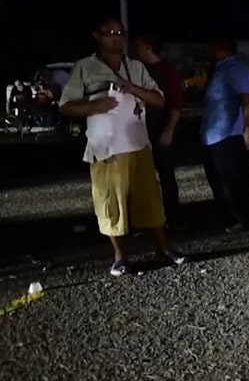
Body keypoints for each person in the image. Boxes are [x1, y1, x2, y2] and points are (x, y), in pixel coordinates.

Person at [58, 17, 185, 276]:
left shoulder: (135, 67)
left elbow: (159, 99)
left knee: (150, 201)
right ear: (97, 35)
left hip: (138, 146)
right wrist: (94, 106)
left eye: (121, 33)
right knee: (110, 204)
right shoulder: (85, 67)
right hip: (106, 150)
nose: (117, 37)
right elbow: (65, 105)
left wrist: (133, 88)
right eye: (110, 33)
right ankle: (120, 257)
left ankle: (163, 249)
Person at [201, 39, 249, 234]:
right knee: (219, 178)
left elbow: (246, 100)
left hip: (229, 134)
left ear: (220, 48)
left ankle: (244, 218)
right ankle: (228, 216)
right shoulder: (219, 69)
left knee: (234, 179)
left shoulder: (235, 68)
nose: (208, 50)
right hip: (214, 134)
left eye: (211, 47)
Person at [134, 35, 185, 229]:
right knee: (142, 177)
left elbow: (175, 104)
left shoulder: (167, 71)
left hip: (160, 130)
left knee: (166, 176)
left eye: (137, 46)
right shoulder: (140, 70)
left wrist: (169, 130)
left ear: (148, 46)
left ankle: (172, 218)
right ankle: (147, 219)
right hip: (141, 131)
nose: (133, 50)